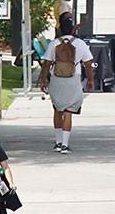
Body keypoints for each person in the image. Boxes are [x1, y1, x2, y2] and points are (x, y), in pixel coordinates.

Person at [41, 14, 95, 154]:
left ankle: (58, 142)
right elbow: (88, 64)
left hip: (57, 79)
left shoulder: (54, 44)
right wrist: (90, 80)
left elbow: (46, 64)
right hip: (73, 79)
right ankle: (65, 145)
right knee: (68, 112)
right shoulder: (80, 44)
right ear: (73, 30)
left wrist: (43, 80)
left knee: (57, 110)